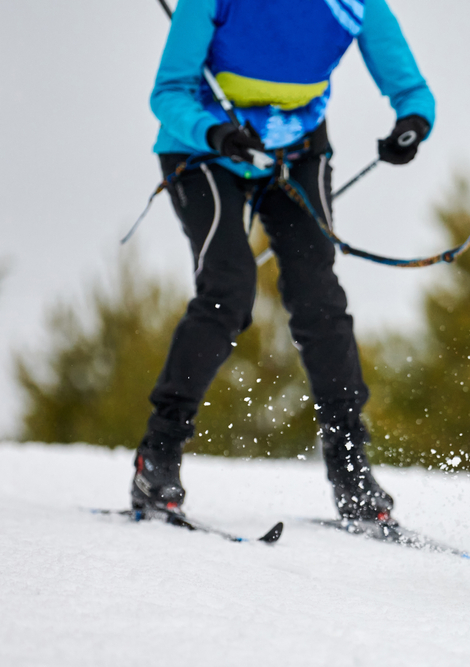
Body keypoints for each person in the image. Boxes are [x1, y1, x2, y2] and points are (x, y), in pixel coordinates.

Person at [132, 0, 434, 522]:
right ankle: (157, 456)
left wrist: (412, 122)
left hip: (295, 153)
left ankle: (350, 468)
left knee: (318, 297)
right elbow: (169, 93)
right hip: (203, 149)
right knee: (228, 289)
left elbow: (413, 91)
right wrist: (216, 134)